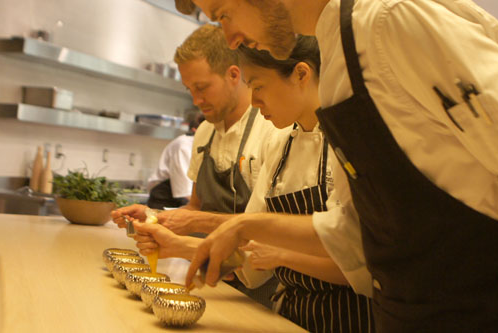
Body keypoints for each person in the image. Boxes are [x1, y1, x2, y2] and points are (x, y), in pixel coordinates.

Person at [176, 0, 498, 331]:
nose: (231, 38)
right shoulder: (338, 59)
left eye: (223, 13)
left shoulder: (388, 22)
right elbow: (359, 228)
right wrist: (244, 226)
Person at [133, 35, 374, 332]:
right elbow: (253, 257)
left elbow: (361, 266)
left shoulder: (349, 142)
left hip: (351, 320)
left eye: (258, 87)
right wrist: (177, 246)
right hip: (288, 316)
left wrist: (282, 255)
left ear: (301, 74)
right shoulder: (280, 142)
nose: (255, 102)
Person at [111, 24, 279, 307]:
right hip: (213, 283)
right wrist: (154, 217)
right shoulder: (205, 131)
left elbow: (272, 228)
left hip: (258, 290)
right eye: (190, 89)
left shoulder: (271, 128)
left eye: (202, 88)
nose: (196, 100)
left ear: (234, 75)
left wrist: (196, 221)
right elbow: (195, 207)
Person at [145, 111, 204, 210]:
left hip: (182, 201)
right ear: (195, 130)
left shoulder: (205, 146)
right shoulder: (184, 146)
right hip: (164, 199)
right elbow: (185, 192)